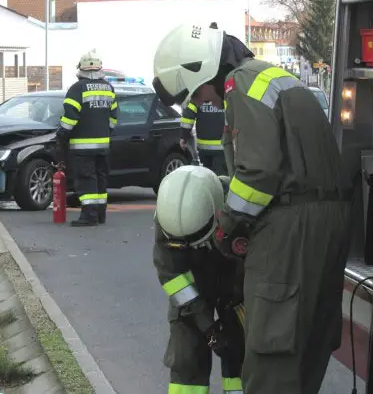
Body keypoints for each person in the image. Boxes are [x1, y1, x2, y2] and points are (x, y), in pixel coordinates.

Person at [151, 23, 352, 394]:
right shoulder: (273, 78)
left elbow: (257, 174)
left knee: (271, 350)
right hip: (328, 219)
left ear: (204, 70)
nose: (205, 103)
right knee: (307, 344)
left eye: (199, 93)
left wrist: (226, 229)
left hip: (290, 224)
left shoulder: (240, 84)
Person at [154, 165, 245, 394]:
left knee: (241, 352)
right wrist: (208, 328)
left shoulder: (240, 207)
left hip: (237, 287)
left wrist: (235, 308)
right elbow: (173, 278)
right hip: (193, 288)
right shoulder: (168, 219)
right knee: (187, 356)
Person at [56, 50, 118, 227]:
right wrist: (105, 133)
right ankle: (100, 215)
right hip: (103, 145)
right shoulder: (108, 88)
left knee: (86, 179)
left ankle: (89, 216)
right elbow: (113, 118)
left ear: (80, 69)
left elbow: (70, 118)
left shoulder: (77, 89)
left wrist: (62, 135)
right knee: (100, 179)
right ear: (100, 68)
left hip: (82, 147)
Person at [180, 99, 227, 175]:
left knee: (207, 176)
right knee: (221, 177)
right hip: (223, 148)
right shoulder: (226, 94)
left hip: (204, 148)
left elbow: (188, 118)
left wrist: (184, 137)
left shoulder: (198, 95)